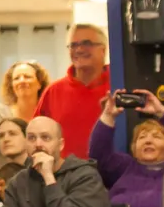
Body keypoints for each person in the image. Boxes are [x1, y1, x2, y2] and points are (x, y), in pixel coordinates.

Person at [35, 24, 113, 162]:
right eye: (73, 45)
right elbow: (36, 137)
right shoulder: (53, 92)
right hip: (66, 179)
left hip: (114, 176)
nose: (80, 49)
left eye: (87, 43)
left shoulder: (118, 85)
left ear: (103, 50)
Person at [0, 61, 50, 160]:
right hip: (8, 174)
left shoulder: (49, 112)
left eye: (27, 77)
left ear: (39, 84)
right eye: (16, 78)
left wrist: (11, 141)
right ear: (12, 85)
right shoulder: (1, 111)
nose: (22, 81)